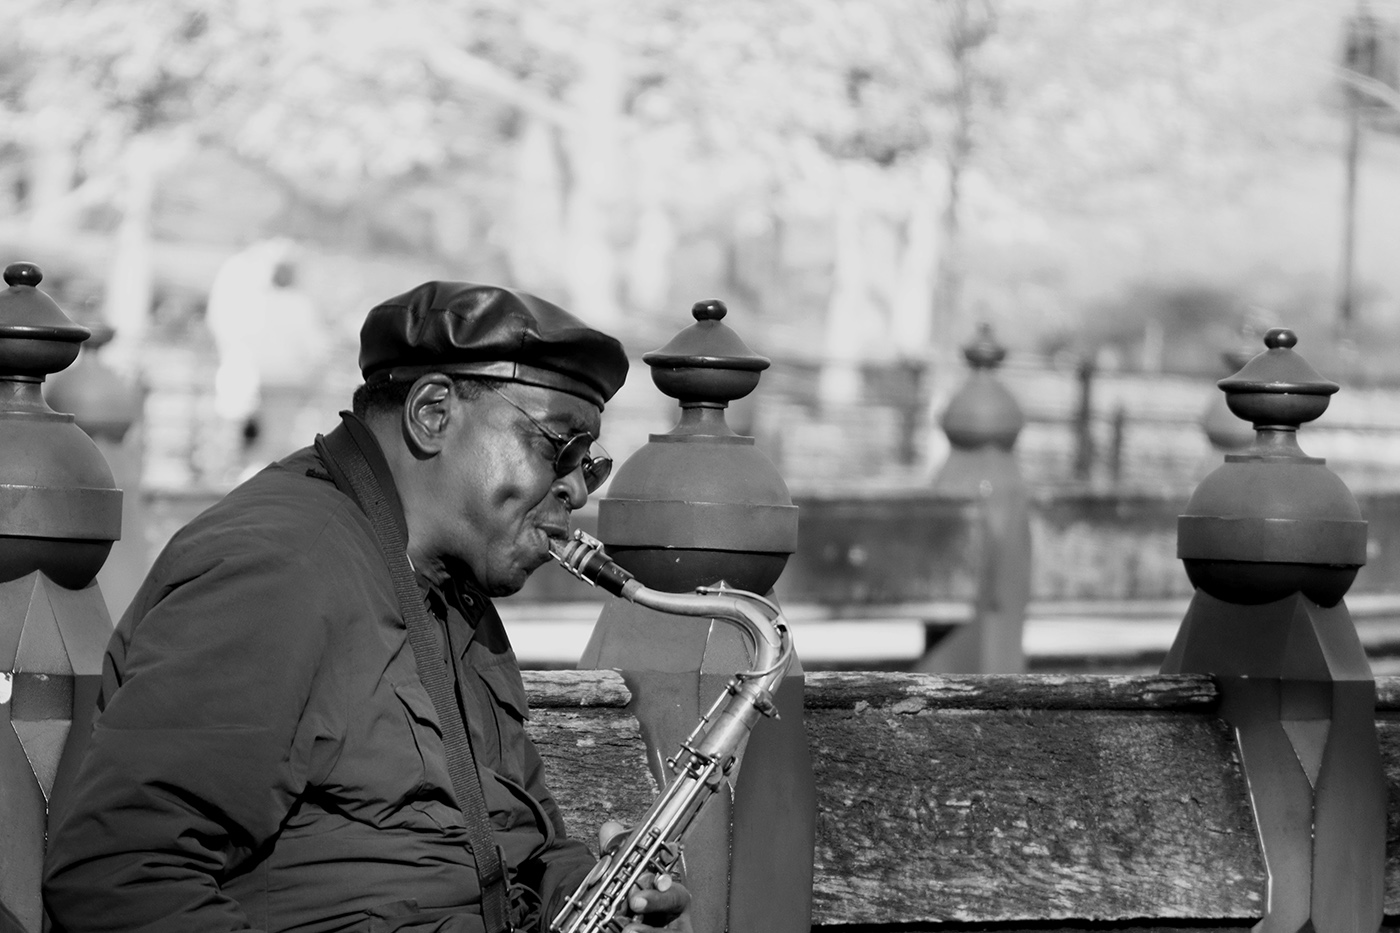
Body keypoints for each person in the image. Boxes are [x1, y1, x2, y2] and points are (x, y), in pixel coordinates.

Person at [43, 282, 690, 933]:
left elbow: (520, 840)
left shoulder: (452, 583)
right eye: (561, 447)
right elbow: (117, 876)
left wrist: (592, 891)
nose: (577, 488)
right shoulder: (279, 566)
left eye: (593, 463)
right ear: (433, 412)